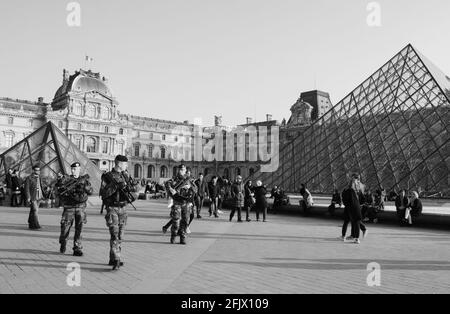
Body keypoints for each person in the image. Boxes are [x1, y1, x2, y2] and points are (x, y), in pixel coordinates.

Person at [100, 155, 139, 270]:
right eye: (126, 163)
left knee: (120, 235)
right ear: (120, 164)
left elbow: (137, 188)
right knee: (115, 234)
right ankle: (117, 258)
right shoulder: (107, 177)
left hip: (123, 208)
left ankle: (112, 258)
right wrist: (115, 186)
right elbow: (103, 193)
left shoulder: (126, 175)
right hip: (112, 208)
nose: (127, 165)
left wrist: (128, 187)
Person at [56, 162, 93, 256]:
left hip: (80, 208)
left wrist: (84, 187)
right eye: (72, 169)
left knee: (79, 228)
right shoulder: (66, 179)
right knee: (65, 228)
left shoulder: (84, 180)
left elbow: (90, 191)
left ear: (79, 169)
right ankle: (63, 243)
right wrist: (60, 181)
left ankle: (77, 248)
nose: (73, 171)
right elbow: (59, 189)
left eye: (75, 169)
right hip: (69, 207)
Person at [165, 164, 197, 244]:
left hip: (186, 203)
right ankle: (173, 236)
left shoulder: (189, 179)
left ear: (185, 170)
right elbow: (167, 185)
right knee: (176, 221)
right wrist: (171, 190)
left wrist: (189, 187)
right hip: (177, 203)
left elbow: (195, 189)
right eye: (180, 169)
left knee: (185, 221)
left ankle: (183, 237)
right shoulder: (174, 179)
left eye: (183, 169)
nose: (181, 171)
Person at [341, 174, 367, 244]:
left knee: (356, 222)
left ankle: (356, 237)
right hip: (354, 206)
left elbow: (346, 199)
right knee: (355, 222)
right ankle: (355, 237)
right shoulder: (355, 189)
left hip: (353, 207)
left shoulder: (352, 189)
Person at [24, 165, 46, 230]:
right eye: (36, 170)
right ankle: (36, 225)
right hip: (33, 197)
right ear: (33, 170)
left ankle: (31, 223)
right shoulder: (29, 178)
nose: (38, 171)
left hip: (39, 196)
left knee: (33, 210)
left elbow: (41, 186)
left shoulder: (40, 177)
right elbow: (26, 188)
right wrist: (28, 197)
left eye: (39, 170)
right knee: (35, 210)